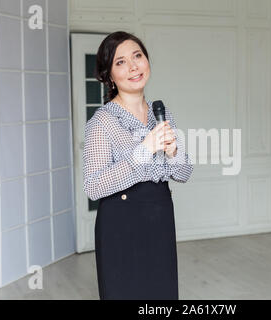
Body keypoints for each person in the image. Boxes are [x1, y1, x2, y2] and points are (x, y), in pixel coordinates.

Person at [82, 31, 193, 300]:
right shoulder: (102, 122)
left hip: (160, 220)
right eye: (120, 62)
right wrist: (143, 151)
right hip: (120, 225)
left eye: (137, 56)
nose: (133, 66)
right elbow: (93, 187)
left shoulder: (162, 113)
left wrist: (173, 151)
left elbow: (184, 173)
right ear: (108, 76)